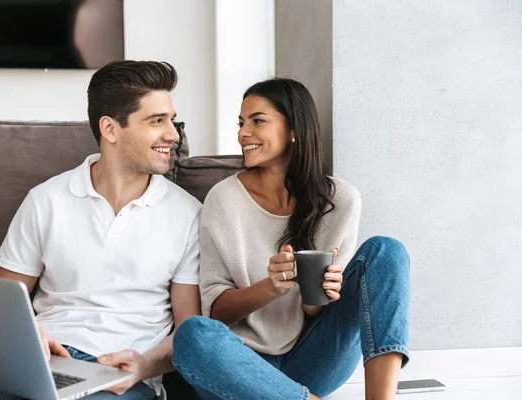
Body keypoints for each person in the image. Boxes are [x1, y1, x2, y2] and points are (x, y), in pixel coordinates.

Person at [0, 61, 202, 400]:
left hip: (120, 379)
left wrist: (144, 365)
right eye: (157, 121)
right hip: (40, 361)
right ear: (110, 129)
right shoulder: (46, 200)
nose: (173, 134)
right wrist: (29, 336)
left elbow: (189, 332)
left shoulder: (188, 214)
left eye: (171, 119)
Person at [171, 78, 410, 400]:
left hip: (312, 360)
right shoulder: (224, 199)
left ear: (294, 128)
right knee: (193, 334)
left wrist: (323, 291)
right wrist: (269, 287)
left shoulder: (340, 200)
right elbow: (215, 311)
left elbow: (315, 311)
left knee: (387, 251)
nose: (243, 133)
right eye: (241, 123)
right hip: (240, 367)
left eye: (257, 121)